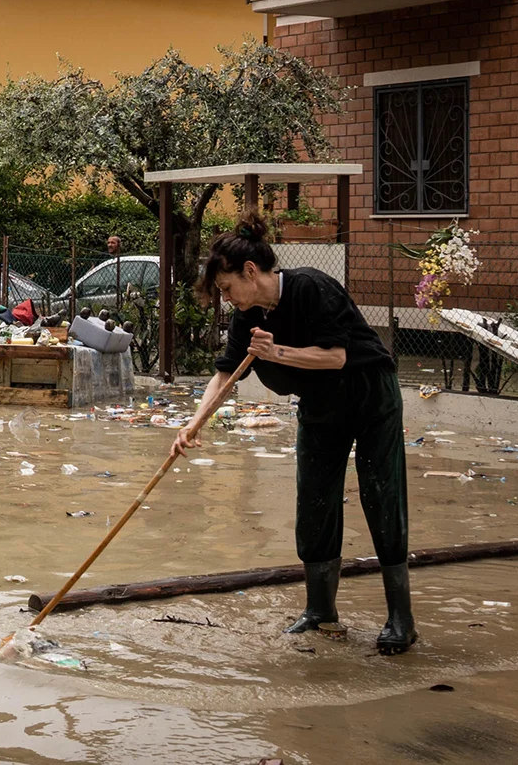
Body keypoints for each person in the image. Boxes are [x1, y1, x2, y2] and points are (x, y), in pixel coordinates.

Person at [171, 213, 416, 655]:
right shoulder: (247, 317)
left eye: (227, 289)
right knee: (314, 499)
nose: (228, 301)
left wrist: (276, 351)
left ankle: (401, 617)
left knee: (381, 496)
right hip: (321, 405)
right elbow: (226, 372)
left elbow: (337, 357)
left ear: (250, 272)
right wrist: (194, 422)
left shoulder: (311, 287)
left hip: (368, 394)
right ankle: (320, 609)